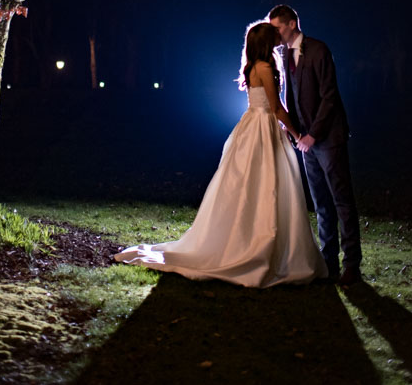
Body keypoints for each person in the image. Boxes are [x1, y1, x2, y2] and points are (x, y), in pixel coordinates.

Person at [114, 22, 327, 287]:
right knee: (266, 183)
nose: (278, 38)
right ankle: (261, 244)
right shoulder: (263, 67)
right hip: (262, 128)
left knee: (259, 183)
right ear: (266, 42)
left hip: (255, 125)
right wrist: (297, 134)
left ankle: (267, 242)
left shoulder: (254, 67)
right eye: (273, 35)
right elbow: (275, 107)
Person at [267, 4, 362, 285]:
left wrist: (314, 134)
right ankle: (329, 262)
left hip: (328, 139)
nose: (276, 34)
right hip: (306, 142)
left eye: (278, 28)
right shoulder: (284, 55)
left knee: (342, 200)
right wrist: (294, 130)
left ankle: (352, 266)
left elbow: (330, 96)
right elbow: (292, 96)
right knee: (321, 203)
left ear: (293, 23)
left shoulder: (319, 50)